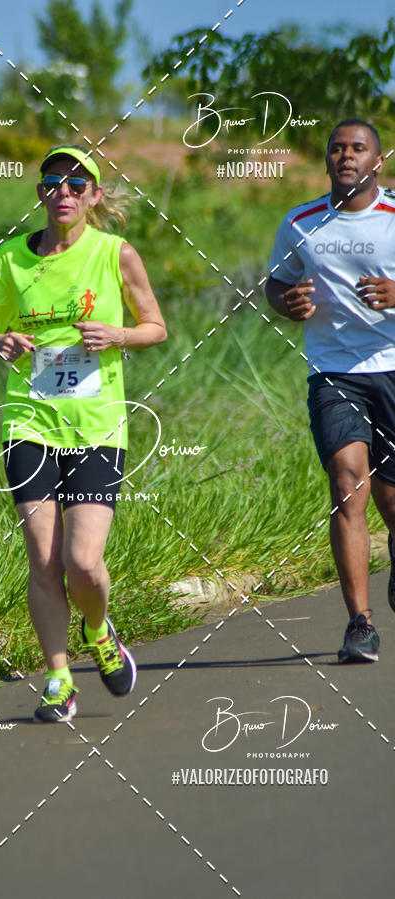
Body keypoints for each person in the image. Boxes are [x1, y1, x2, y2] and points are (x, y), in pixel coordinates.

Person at [0, 145, 166, 720]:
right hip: (28, 422)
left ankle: (99, 631)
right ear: (41, 193)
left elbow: (156, 327)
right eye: (54, 182)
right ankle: (57, 678)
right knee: (44, 561)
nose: (65, 193)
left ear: (95, 196)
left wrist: (117, 336)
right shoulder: (8, 260)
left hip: (98, 426)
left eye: (78, 185)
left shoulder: (116, 254)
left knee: (82, 562)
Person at [266, 118, 395, 663]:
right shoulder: (301, 222)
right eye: (337, 148)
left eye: (358, 148)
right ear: (326, 160)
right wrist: (286, 300)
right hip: (333, 373)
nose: (346, 156)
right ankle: (359, 625)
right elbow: (276, 281)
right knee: (348, 484)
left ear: (378, 161)